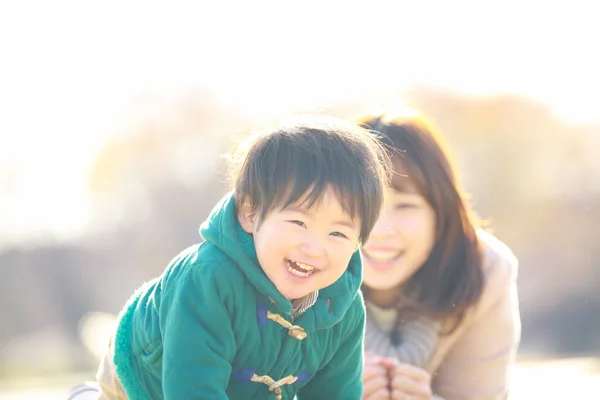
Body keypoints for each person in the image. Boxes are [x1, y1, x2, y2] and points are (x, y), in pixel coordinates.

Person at [68, 115, 390, 400]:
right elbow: (192, 390)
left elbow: (336, 393)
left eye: (338, 234)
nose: (314, 248)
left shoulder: (342, 308)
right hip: (143, 375)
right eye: (298, 222)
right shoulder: (207, 279)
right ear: (249, 213)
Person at [356, 110, 521, 400]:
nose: (380, 230)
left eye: (406, 206)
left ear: (440, 212)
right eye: (366, 206)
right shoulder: (302, 270)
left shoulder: (483, 269)